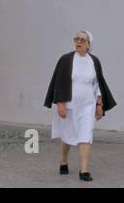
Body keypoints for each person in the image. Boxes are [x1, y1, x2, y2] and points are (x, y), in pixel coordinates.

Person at [44, 30, 115, 181]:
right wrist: (60, 103)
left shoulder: (94, 61)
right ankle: (64, 160)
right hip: (69, 105)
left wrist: (99, 104)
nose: (79, 42)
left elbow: (97, 85)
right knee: (67, 136)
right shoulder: (66, 59)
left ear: (89, 44)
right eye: (77, 39)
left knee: (86, 135)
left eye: (83, 40)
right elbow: (58, 82)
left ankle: (84, 170)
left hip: (87, 106)